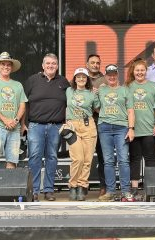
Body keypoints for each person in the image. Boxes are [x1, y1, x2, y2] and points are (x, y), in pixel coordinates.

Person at [22, 53, 70, 201]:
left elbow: (72, 102)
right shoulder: (32, 80)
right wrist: (23, 123)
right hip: (36, 126)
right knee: (35, 157)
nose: (51, 66)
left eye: (53, 63)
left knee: (52, 157)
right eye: (48, 63)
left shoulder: (63, 82)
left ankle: (49, 190)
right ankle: (34, 190)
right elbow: (23, 103)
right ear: (43, 66)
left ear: (57, 66)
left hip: (56, 126)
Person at [97, 64, 135, 202]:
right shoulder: (101, 90)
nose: (111, 77)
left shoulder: (125, 90)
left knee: (123, 160)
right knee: (108, 161)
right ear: (105, 76)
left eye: (114, 74)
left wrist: (131, 128)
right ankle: (110, 191)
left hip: (121, 128)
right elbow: (96, 107)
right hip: (104, 127)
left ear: (117, 75)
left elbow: (130, 110)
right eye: (109, 74)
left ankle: (125, 191)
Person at [125, 58, 155, 198]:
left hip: (150, 129)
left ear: (146, 71)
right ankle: (134, 188)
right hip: (134, 130)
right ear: (133, 72)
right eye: (137, 70)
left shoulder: (154, 86)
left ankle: (151, 187)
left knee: (151, 159)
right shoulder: (128, 87)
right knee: (134, 159)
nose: (140, 72)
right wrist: (129, 128)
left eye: (142, 70)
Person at [66, 67, 100, 201]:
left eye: (84, 77)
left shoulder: (92, 93)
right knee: (77, 159)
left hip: (88, 125)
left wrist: (99, 93)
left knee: (87, 160)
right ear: (74, 79)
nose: (81, 79)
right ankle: (72, 185)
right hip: (73, 126)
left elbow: (97, 109)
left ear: (87, 80)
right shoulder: (69, 91)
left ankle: (82, 186)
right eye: (78, 76)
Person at [86, 54, 108, 196]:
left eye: (97, 63)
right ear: (86, 64)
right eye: (92, 62)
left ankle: (103, 186)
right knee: (83, 157)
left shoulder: (105, 80)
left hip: (101, 122)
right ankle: (81, 186)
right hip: (84, 123)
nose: (95, 65)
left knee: (103, 157)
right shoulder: (80, 77)